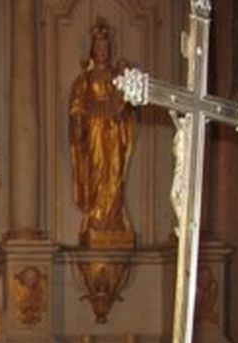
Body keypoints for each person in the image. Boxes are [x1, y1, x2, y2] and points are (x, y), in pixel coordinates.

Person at [69, 20, 135, 249]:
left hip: (114, 131)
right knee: (97, 173)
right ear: (92, 51)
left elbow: (128, 104)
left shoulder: (117, 77)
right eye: (98, 48)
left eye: (106, 47)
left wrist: (121, 103)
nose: (102, 51)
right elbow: (76, 106)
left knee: (114, 173)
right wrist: (82, 121)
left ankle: (114, 219)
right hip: (95, 132)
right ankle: (96, 217)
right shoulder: (85, 80)